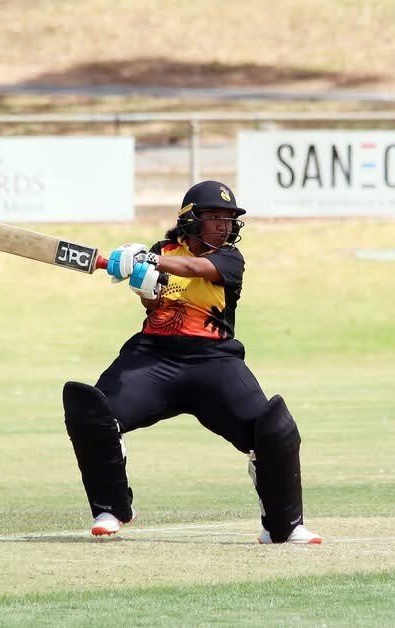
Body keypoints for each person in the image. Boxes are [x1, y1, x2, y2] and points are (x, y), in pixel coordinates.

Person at [62, 180, 322, 544]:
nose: (224, 225)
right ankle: (112, 509)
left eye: (229, 219)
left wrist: (147, 260)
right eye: (214, 217)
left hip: (214, 362)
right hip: (154, 357)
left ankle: (285, 526)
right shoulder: (162, 249)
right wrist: (145, 289)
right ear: (190, 221)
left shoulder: (228, 258)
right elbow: (155, 303)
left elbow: (192, 268)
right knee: (91, 411)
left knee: (274, 430)